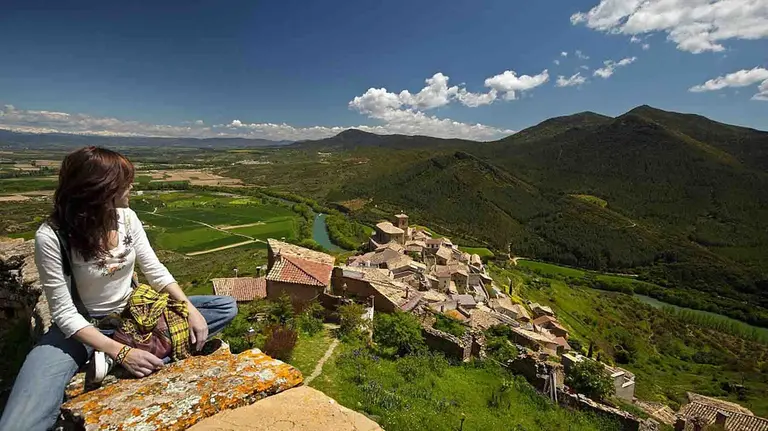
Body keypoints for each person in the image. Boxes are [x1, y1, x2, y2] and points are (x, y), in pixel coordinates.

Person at [0, 147, 238, 431]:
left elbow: (155, 270)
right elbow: (64, 314)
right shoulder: (52, 236)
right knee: (20, 422)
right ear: (99, 190)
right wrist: (122, 353)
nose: (132, 186)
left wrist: (188, 309)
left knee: (223, 307)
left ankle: (125, 350)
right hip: (81, 328)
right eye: (124, 181)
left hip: (135, 315)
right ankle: (131, 350)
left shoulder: (127, 218)